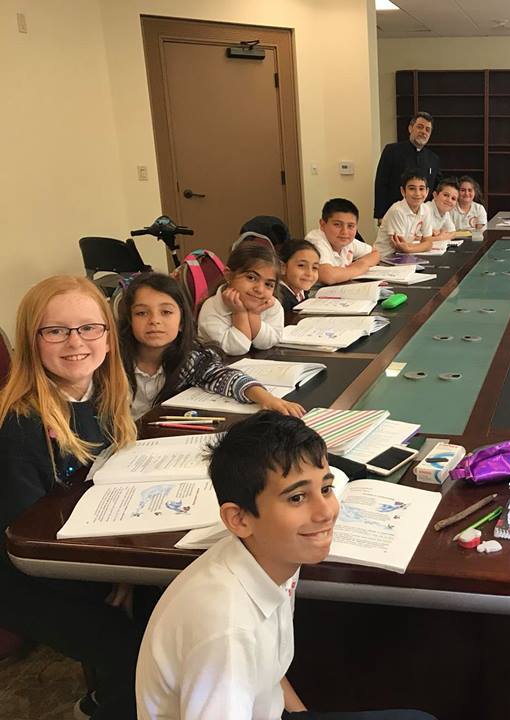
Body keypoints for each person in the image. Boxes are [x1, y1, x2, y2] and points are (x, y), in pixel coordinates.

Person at [135, 411, 436, 720]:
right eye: (297, 498)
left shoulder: (273, 556)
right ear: (239, 519)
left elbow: (268, 672)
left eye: (325, 489)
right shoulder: (227, 628)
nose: (325, 512)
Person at [0, 275, 142, 719]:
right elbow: (30, 547)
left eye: (89, 328)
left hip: (87, 552)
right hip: (32, 576)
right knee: (141, 652)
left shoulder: (104, 395)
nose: (76, 342)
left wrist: (124, 572)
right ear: (32, 342)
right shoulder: (20, 425)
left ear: (108, 336)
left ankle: (108, 698)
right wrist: (112, 577)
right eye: (56, 330)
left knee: (169, 613)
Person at [117, 272, 304, 419]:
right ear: (129, 320)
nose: (154, 321)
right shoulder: (113, 362)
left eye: (166, 312)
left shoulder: (189, 360)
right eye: (142, 313)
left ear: (182, 321)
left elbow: (226, 377)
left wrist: (267, 399)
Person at [197, 241, 284, 355]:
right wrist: (239, 313)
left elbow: (270, 341)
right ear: (228, 275)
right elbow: (235, 349)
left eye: (268, 284)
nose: (260, 289)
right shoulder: (211, 307)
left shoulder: (271, 304)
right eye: (251, 278)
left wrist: (254, 315)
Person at [374, 112, 440, 220]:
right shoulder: (392, 151)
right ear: (410, 128)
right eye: (420, 127)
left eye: (427, 129)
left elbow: (436, 189)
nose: (424, 132)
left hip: (422, 216)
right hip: (395, 214)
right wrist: (380, 215)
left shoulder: (433, 158)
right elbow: (381, 183)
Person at [305, 198, 381, 286]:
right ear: (322, 224)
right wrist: (358, 268)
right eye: (337, 224)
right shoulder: (316, 241)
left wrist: (362, 263)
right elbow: (328, 276)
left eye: (350, 226)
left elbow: (375, 253)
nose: (344, 232)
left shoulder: (347, 241)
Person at [374, 169, 435, 257]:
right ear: (403, 191)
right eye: (412, 188)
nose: (417, 193)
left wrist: (409, 248)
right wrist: (418, 247)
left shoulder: (426, 209)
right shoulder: (397, 211)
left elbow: (429, 243)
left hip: (404, 256)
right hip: (384, 257)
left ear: (427, 191)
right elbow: (399, 247)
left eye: (421, 189)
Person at [277, 240, 322, 313]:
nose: (309, 273)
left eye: (314, 267)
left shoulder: (301, 293)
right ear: (282, 267)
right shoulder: (280, 299)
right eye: (301, 265)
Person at [422, 177, 459, 242]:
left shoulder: (446, 213)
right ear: (435, 195)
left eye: (453, 198)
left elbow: (453, 233)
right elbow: (420, 239)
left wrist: (440, 233)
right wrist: (441, 237)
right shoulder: (425, 209)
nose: (449, 200)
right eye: (446, 195)